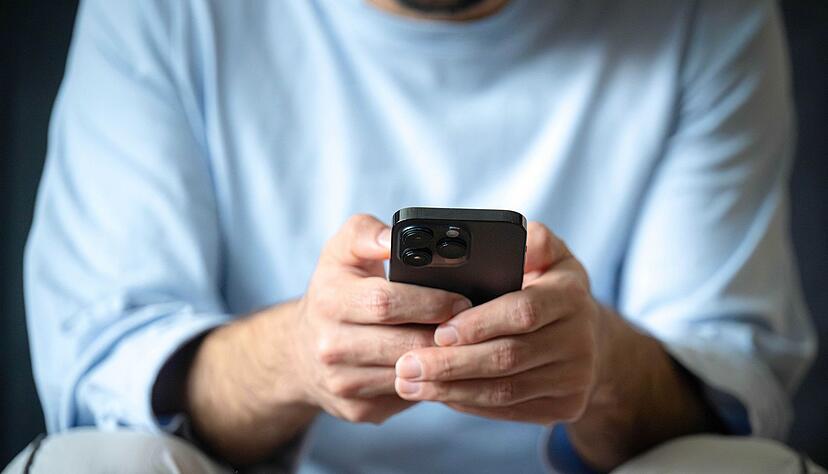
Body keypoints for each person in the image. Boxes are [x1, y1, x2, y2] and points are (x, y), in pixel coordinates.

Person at [8, 0, 819, 472]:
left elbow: (735, 377)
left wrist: (600, 365)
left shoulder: (707, 12)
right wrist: (296, 356)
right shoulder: (161, 11)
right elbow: (103, 363)